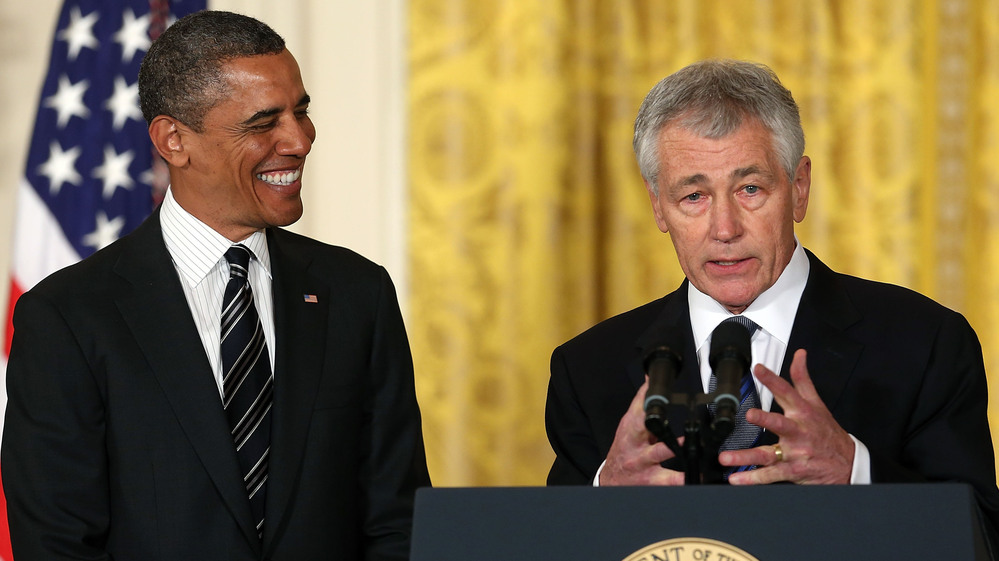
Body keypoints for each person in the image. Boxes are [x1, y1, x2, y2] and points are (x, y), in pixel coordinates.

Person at [3, 10, 430, 561]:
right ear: (174, 140)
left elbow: (399, 522)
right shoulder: (67, 317)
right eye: (263, 123)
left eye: (301, 112)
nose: (299, 140)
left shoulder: (357, 293)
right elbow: (57, 544)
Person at [545, 59, 999, 539]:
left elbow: (981, 537)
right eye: (694, 196)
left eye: (750, 189)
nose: (725, 230)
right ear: (658, 205)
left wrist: (853, 471)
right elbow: (546, 543)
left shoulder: (924, 344)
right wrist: (601, 497)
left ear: (798, 188)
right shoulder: (588, 369)